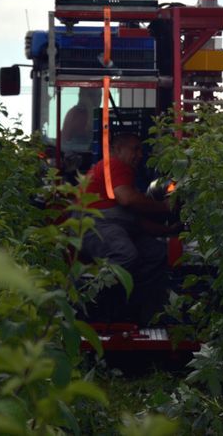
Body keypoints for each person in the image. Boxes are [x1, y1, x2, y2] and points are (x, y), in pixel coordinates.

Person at [79, 132, 182, 324]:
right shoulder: (115, 165)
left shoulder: (123, 174)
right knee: (125, 255)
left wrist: (167, 230)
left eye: (141, 149)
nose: (140, 154)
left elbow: (135, 222)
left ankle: (141, 313)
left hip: (110, 226)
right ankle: (87, 301)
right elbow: (127, 200)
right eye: (135, 148)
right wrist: (165, 207)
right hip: (92, 225)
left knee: (156, 252)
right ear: (117, 149)